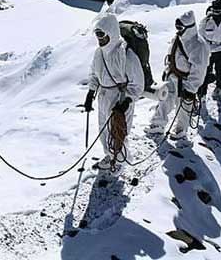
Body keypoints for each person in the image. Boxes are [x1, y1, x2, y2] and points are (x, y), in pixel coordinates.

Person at [84, 13, 144, 174]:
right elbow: (94, 74)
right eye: (97, 35)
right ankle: (110, 155)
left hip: (120, 98)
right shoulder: (99, 53)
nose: (99, 39)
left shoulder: (126, 55)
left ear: (111, 32)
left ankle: (120, 160)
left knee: (119, 131)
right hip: (103, 96)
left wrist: (127, 102)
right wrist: (91, 92)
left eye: (102, 35)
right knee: (104, 130)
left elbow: (137, 84)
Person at [144, 11, 209, 148]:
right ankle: (157, 124)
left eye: (180, 28)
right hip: (173, 76)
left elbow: (199, 70)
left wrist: (191, 89)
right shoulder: (177, 39)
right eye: (177, 28)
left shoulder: (199, 45)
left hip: (186, 81)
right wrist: (167, 71)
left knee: (184, 107)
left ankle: (181, 130)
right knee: (165, 100)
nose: (178, 31)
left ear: (189, 27)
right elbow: (170, 54)